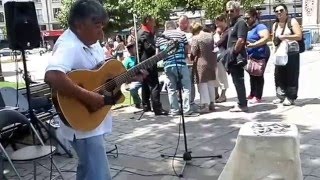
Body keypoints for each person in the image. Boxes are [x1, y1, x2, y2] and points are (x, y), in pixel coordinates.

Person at [44, 1, 146, 179]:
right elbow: (52, 76)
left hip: (93, 120)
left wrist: (129, 76)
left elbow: (102, 73)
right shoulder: (69, 45)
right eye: (97, 26)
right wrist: (88, 97)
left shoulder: (91, 42)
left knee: (88, 171)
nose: (101, 32)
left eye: (102, 26)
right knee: (99, 174)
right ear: (79, 24)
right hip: (82, 120)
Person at [156, 20, 192, 116]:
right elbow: (186, 48)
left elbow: (158, 54)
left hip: (167, 65)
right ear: (174, 26)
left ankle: (174, 110)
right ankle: (186, 109)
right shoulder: (181, 34)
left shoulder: (160, 38)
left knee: (171, 88)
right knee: (186, 87)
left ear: (165, 27)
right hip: (180, 64)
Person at [272, 4, 302, 106]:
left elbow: (299, 36)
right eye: (276, 11)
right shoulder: (275, 25)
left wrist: (285, 36)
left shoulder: (292, 21)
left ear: (286, 11)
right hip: (279, 53)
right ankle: (281, 96)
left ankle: (291, 97)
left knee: (291, 75)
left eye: (281, 10)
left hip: (292, 52)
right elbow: (273, 40)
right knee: (279, 75)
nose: (279, 13)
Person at [137, 15, 168, 115]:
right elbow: (149, 48)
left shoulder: (146, 32)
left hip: (146, 62)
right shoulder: (144, 33)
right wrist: (159, 49)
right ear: (147, 21)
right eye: (152, 21)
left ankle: (146, 105)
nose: (154, 23)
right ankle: (157, 108)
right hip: (148, 62)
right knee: (154, 84)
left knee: (146, 84)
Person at [225, 1, 249, 112]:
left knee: (239, 80)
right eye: (227, 11)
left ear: (237, 10)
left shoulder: (240, 22)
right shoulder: (232, 23)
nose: (229, 13)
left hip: (237, 57)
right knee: (236, 80)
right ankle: (241, 101)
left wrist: (233, 53)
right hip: (232, 56)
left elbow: (241, 40)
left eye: (231, 10)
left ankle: (242, 104)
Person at [245, 8, 271, 104]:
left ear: (254, 17)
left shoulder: (260, 26)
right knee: (252, 74)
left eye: (248, 18)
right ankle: (252, 93)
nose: (246, 20)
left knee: (258, 74)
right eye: (245, 18)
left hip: (261, 53)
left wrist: (253, 45)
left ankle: (258, 96)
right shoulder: (249, 28)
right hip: (252, 54)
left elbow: (266, 37)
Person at [190, 22, 217, 113]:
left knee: (202, 84)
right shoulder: (210, 36)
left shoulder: (196, 38)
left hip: (201, 63)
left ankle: (205, 105)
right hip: (211, 62)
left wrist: (191, 58)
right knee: (210, 83)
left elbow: (193, 52)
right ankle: (212, 102)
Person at [214, 14, 230, 103]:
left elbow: (219, 43)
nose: (217, 25)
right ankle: (217, 94)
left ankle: (223, 95)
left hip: (223, 57)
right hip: (218, 58)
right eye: (216, 24)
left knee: (222, 76)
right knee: (217, 76)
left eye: (218, 23)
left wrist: (217, 34)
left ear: (223, 21)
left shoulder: (227, 31)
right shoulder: (222, 32)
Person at [122, 43, 142, 108]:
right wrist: (126, 83)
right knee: (133, 88)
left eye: (131, 48)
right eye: (128, 48)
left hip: (145, 78)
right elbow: (124, 73)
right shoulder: (127, 60)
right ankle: (137, 102)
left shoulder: (140, 57)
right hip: (135, 80)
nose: (130, 50)